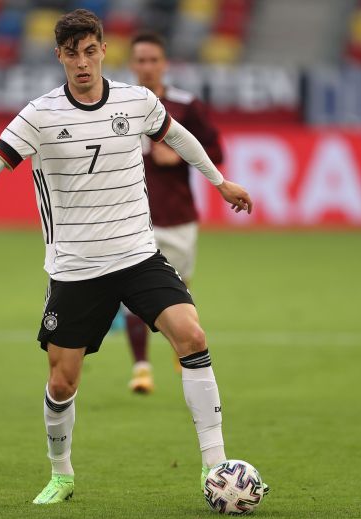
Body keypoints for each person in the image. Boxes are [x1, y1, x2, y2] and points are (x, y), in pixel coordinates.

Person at [0, 9, 265, 505]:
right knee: (62, 380)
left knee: (191, 335)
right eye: (72, 53)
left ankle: (215, 467)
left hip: (137, 254)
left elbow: (178, 136)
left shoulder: (137, 101)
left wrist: (219, 181)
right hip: (76, 268)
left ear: (104, 50)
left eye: (91, 51)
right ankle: (61, 474)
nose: (83, 62)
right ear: (59, 56)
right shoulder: (39, 115)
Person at [125, 31, 224, 394]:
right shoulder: (118, 106)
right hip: (134, 219)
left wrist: (178, 154)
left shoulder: (186, 105)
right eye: (141, 60)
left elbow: (216, 151)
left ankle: (179, 349)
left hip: (178, 216)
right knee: (133, 294)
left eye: (154, 60)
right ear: (132, 64)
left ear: (164, 64)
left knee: (177, 291)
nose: (147, 67)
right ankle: (141, 368)